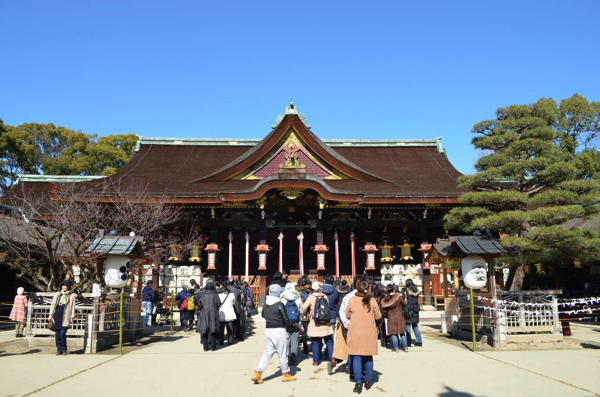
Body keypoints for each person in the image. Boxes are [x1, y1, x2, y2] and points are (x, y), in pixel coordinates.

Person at [251, 284, 297, 384]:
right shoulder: (279, 304)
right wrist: (286, 323)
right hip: (279, 331)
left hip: (268, 330)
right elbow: (286, 319)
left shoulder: (266, 303)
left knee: (267, 353)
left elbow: (263, 315)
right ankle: (286, 374)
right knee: (282, 353)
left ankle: (257, 372)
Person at [346, 279, 382, 394]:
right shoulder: (371, 300)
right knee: (368, 356)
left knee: (356, 357)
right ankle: (368, 380)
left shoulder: (352, 300)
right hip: (369, 332)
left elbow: (347, 314)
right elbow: (378, 316)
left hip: (355, 332)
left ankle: (358, 382)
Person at [334, 275, 364, 380]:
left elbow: (341, 310)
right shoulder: (367, 296)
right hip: (362, 326)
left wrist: (345, 321)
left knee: (352, 348)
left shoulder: (348, 296)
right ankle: (360, 369)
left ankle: (350, 368)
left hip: (350, 324)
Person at [301, 281, 334, 367]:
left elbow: (304, 307)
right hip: (326, 321)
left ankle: (316, 360)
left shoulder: (311, 297)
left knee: (315, 342)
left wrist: (304, 313)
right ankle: (332, 358)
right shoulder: (325, 296)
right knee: (329, 341)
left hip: (315, 322)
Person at [48, 280, 77, 356]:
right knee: (57, 335)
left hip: (66, 316)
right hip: (57, 315)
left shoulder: (72, 295)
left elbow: (73, 307)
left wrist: (72, 316)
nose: (63, 287)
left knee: (62, 334)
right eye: (63, 285)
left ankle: (64, 349)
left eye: (65, 286)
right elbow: (53, 304)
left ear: (68, 287)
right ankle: (59, 349)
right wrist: (50, 314)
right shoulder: (58, 294)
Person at [381, 284, 407, 352]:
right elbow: (404, 304)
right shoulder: (399, 297)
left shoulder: (386, 300)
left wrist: (385, 316)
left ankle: (396, 348)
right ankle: (405, 347)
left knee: (393, 333)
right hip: (400, 316)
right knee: (402, 333)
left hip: (391, 317)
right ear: (393, 289)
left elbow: (384, 311)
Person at [281, 282, 303, 366]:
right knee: (294, 342)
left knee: (285, 341)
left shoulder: (282, 298)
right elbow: (301, 309)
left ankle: (285, 359)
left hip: (285, 323)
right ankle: (293, 360)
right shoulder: (297, 298)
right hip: (296, 322)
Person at [195, 281, 220, 351]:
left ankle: (205, 347)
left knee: (204, 330)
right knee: (213, 330)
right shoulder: (216, 295)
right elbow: (219, 303)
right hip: (213, 312)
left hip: (204, 312)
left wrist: (202, 308)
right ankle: (213, 347)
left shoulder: (202, 295)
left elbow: (199, 304)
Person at [403, 279, 422, 347]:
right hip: (415, 309)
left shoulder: (406, 290)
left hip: (408, 310)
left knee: (407, 326)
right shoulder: (416, 290)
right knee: (415, 326)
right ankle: (419, 341)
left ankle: (409, 342)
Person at [218, 281, 237, 345]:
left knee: (221, 329)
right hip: (229, 312)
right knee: (230, 328)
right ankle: (230, 341)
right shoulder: (231, 295)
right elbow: (234, 302)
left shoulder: (219, 295)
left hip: (222, 313)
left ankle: (221, 341)